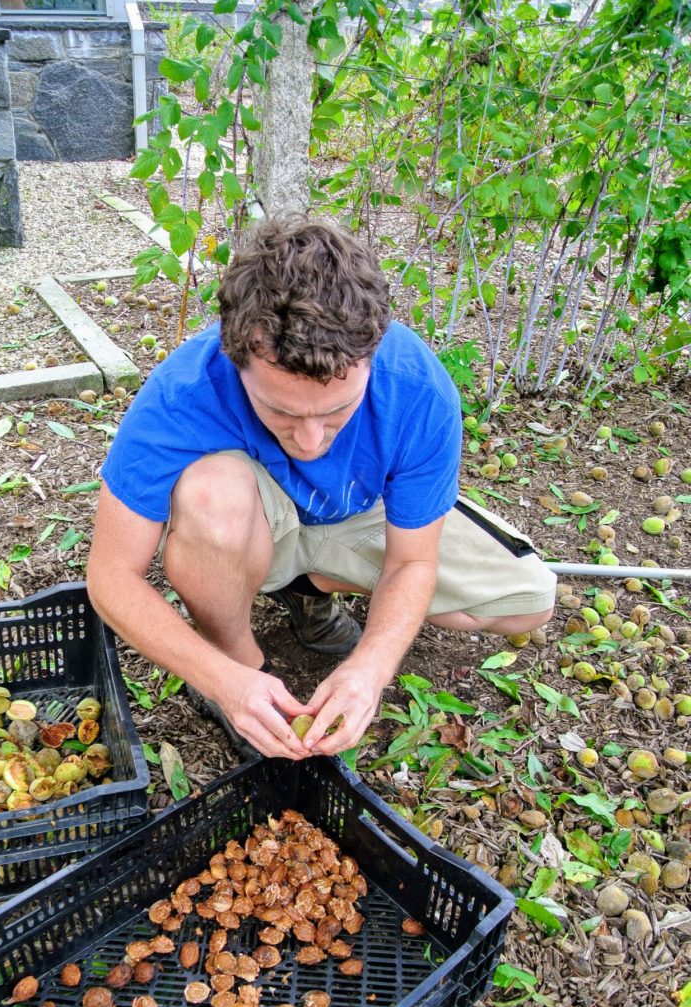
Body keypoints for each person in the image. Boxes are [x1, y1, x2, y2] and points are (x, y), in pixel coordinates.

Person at [87, 216, 555, 764]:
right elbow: (111, 576)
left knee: (531, 600)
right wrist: (225, 679)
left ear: (372, 354)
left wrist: (370, 670)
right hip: (248, 515)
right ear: (236, 359)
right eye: (280, 411)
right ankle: (240, 661)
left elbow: (411, 563)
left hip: (357, 514)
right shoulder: (182, 391)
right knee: (211, 496)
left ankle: (307, 587)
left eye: (336, 411)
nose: (310, 440)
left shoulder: (418, 389)